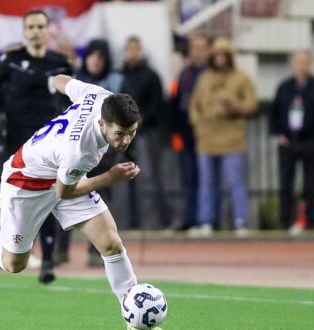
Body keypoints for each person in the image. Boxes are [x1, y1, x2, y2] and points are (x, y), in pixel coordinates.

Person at [0, 74, 142, 324]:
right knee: (14, 263)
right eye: (120, 133)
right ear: (102, 123)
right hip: (26, 183)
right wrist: (110, 177)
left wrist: (49, 81)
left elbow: (62, 79)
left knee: (111, 243)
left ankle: (133, 320)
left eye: (132, 132)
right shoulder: (80, 151)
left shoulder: (100, 96)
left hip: (64, 176)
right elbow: (65, 192)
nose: (125, 140)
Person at [0, 9, 73, 284]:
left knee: (52, 196)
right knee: (8, 197)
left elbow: (73, 101)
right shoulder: (12, 60)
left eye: (40, 26)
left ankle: (48, 262)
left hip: (50, 142)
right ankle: (1, 251)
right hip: (16, 140)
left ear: (48, 30)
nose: (35, 31)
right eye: (30, 26)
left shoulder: (60, 63)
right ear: (24, 31)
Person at [54, 39, 125, 267]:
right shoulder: (80, 80)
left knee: (101, 200)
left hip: (106, 155)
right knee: (64, 197)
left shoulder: (115, 81)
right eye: (93, 55)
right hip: (74, 150)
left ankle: (97, 250)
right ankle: (60, 249)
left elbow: (126, 117)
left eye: (100, 56)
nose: (96, 60)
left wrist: (118, 151)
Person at [188, 37, 257, 236]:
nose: (220, 59)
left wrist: (235, 106)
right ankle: (206, 220)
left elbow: (252, 104)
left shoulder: (241, 78)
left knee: (236, 181)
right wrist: (198, 124)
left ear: (229, 57)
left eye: (223, 55)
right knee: (207, 182)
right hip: (207, 137)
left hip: (232, 138)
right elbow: (194, 105)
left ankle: (241, 220)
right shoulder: (204, 78)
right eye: (216, 55)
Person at [121, 36, 170, 229]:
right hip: (124, 134)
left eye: (136, 48)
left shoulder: (151, 75)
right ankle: (132, 221)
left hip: (146, 132)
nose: (133, 52)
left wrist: (139, 120)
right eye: (129, 48)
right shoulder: (120, 75)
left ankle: (159, 221)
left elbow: (158, 104)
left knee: (151, 177)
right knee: (126, 178)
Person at [168, 35, 210, 231]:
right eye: (193, 48)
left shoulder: (210, 74)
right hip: (186, 133)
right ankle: (190, 216)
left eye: (201, 48)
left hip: (206, 133)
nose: (196, 52)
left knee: (206, 177)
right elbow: (175, 103)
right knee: (188, 178)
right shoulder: (184, 73)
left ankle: (206, 218)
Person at [270, 50, 314, 234]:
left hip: (309, 140)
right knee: (285, 182)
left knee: (310, 184)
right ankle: (285, 221)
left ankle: (310, 219)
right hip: (288, 140)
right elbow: (274, 111)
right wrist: (278, 134)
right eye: (297, 61)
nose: (300, 65)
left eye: (304, 61)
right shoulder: (284, 87)